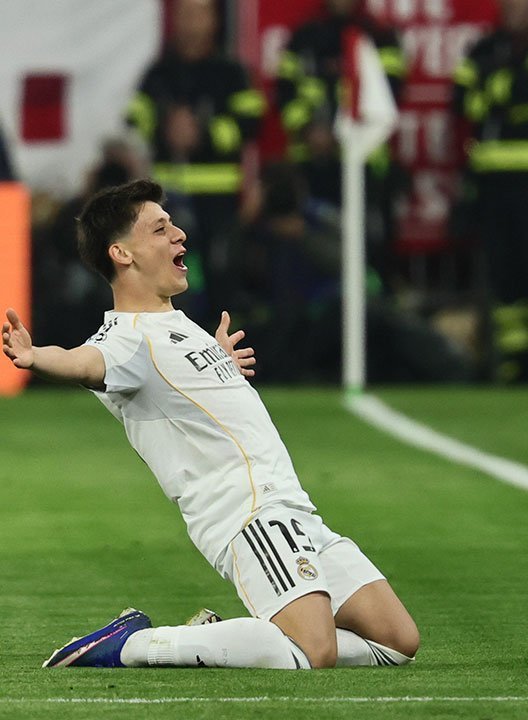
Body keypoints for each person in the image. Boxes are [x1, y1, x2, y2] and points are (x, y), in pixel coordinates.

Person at [2, 180, 419, 670]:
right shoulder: (126, 338)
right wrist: (36, 357)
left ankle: (221, 637)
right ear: (122, 253)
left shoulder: (176, 325)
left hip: (294, 506)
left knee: (397, 641)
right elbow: (84, 362)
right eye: (160, 229)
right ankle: (132, 645)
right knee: (315, 650)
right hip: (248, 514)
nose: (179, 234)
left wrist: (219, 364)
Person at [452, 0, 528, 387]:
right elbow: (461, 99)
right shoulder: (484, 48)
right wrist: (498, 94)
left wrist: (491, 92)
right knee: (505, 272)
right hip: (493, 182)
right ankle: (515, 360)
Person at [127, 0, 266, 324]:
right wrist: (164, 127)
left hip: (219, 201)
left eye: (199, 13)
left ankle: (221, 350)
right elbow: (134, 121)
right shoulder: (158, 73)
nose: (191, 22)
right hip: (166, 200)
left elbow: (250, 124)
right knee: (167, 286)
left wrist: (202, 133)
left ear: (214, 20)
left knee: (221, 282)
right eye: (184, 14)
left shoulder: (232, 73)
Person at [274, 0, 405, 272]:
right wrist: (308, 129)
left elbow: (388, 95)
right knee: (310, 251)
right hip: (310, 166)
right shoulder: (303, 38)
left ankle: (371, 296)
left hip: (364, 165)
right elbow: (284, 93)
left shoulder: (380, 36)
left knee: (368, 248)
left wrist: (337, 135)